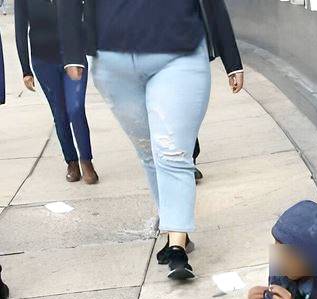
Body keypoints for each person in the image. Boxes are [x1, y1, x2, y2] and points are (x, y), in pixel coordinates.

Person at [58, 0, 241, 280]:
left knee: (172, 151)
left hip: (179, 50)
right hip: (113, 59)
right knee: (149, 151)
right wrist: (72, 51)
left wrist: (232, 59)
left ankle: (176, 243)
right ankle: (173, 225)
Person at [15, 0, 98, 184]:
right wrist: (25, 69)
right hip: (43, 61)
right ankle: (71, 162)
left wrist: (90, 45)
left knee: (76, 109)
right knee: (59, 114)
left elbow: (89, 12)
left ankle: (86, 160)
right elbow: (20, 28)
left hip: (74, 56)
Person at [193, 21, 244, 182]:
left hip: (187, 51)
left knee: (183, 112)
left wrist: (233, 65)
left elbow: (215, 9)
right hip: (138, 51)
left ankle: (186, 159)